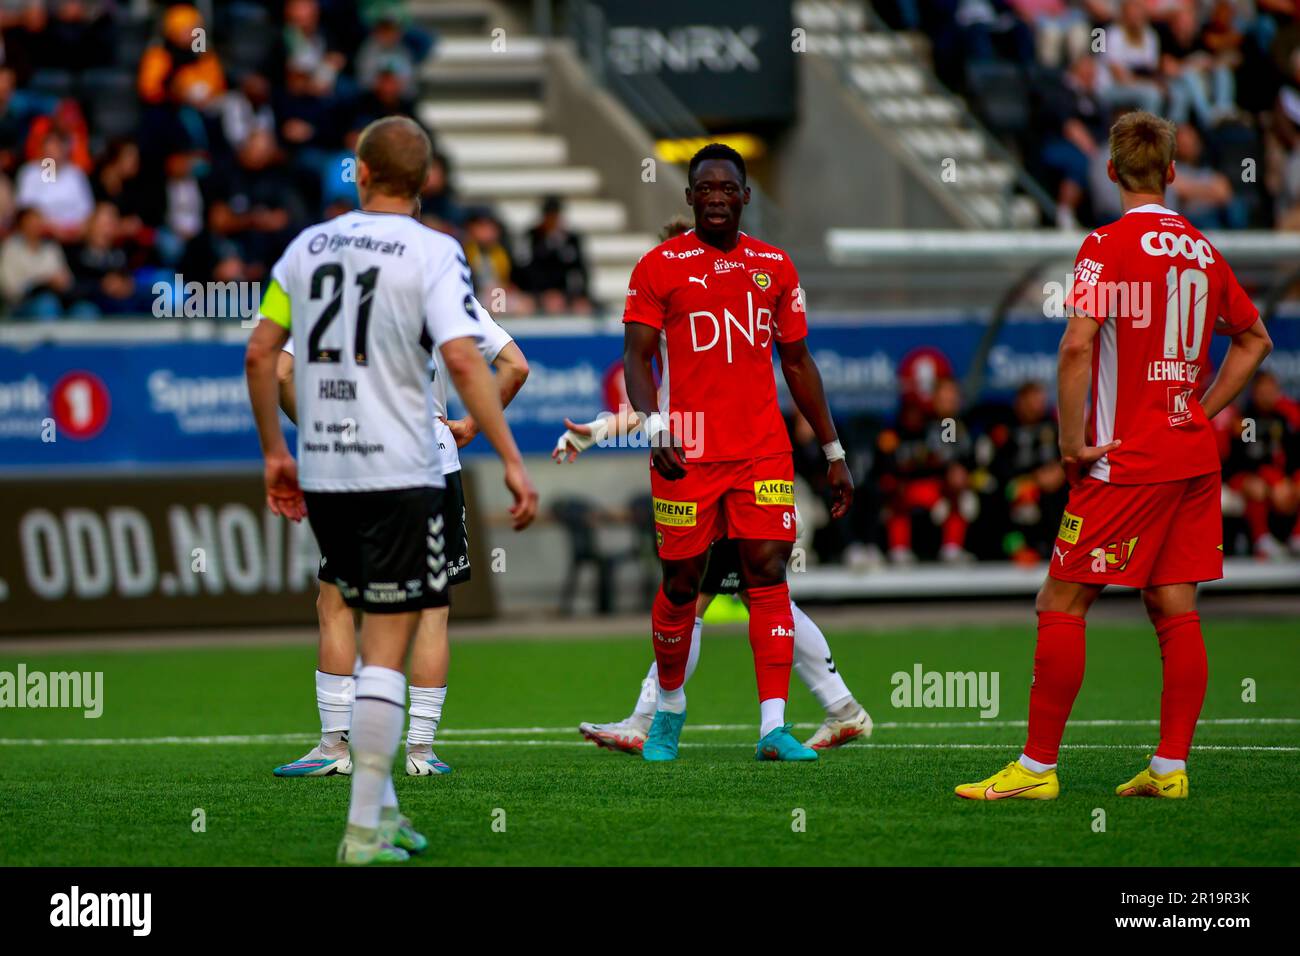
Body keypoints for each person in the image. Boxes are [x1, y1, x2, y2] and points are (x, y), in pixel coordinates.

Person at [245, 115, 538, 863]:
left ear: (360, 173)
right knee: (392, 640)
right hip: (405, 467)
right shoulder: (436, 252)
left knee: (340, 605)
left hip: (329, 469)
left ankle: (379, 803)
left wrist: (278, 452)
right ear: (427, 181)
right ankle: (365, 826)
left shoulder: (307, 248)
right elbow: (471, 362)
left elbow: (262, 356)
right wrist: (507, 454)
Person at [956, 111, 1272, 801]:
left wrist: (1071, 444)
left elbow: (1076, 344)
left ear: (1108, 172)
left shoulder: (1105, 244)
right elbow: (1254, 340)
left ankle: (1036, 770)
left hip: (1126, 459)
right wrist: (1205, 408)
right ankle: (1169, 768)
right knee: (1172, 604)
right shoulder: (1202, 249)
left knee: (1061, 600)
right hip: (1191, 456)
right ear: (1170, 172)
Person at [621, 143, 853, 762]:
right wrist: (655, 427)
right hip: (686, 453)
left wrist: (832, 450)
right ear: (690, 197)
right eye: (706, 187)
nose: (718, 196)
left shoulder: (775, 267)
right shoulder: (657, 266)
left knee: (768, 574)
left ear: (746, 196)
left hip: (761, 454)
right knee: (680, 583)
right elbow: (636, 358)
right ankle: (667, 712)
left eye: (729, 187)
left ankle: (773, 726)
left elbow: (798, 363)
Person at [271, 296, 529, 779]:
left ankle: (334, 746)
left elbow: (281, 375)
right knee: (432, 609)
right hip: (431, 458)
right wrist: (473, 421)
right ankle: (422, 750)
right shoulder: (441, 283)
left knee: (338, 603)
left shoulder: (330, 288)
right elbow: (514, 365)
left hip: (358, 460)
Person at [554, 385, 871, 754]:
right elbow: (671, 407)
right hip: (738, 487)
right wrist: (596, 432)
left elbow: (680, 411)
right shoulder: (701, 353)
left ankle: (643, 721)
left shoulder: (706, 345)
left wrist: (598, 432)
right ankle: (842, 707)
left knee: (702, 601)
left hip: (736, 488)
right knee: (759, 598)